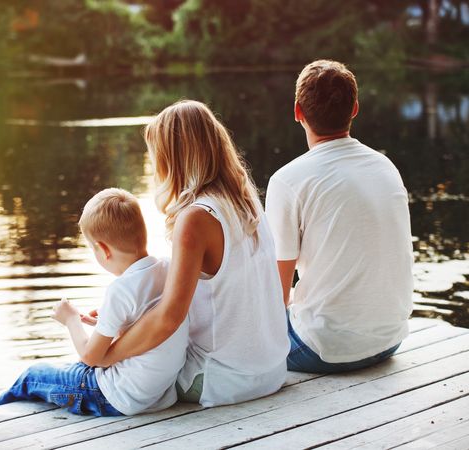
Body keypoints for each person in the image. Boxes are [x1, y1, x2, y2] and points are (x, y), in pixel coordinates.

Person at [97, 100, 290, 407]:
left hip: (221, 380)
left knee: (81, 376)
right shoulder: (245, 200)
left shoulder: (196, 218)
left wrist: (104, 355)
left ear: (174, 159)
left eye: (157, 158)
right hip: (270, 371)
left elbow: (168, 318)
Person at [265, 60, 414, 373]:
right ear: (355, 108)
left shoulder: (287, 180)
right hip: (389, 339)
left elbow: (276, 293)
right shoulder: (385, 167)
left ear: (297, 112)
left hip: (321, 350)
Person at [0, 188, 189, 416]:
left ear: (103, 249)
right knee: (64, 371)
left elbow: (90, 357)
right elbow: (144, 325)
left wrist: (71, 319)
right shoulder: (167, 268)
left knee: (31, 376)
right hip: (156, 396)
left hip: (111, 397)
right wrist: (108, 323)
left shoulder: (120, 290)